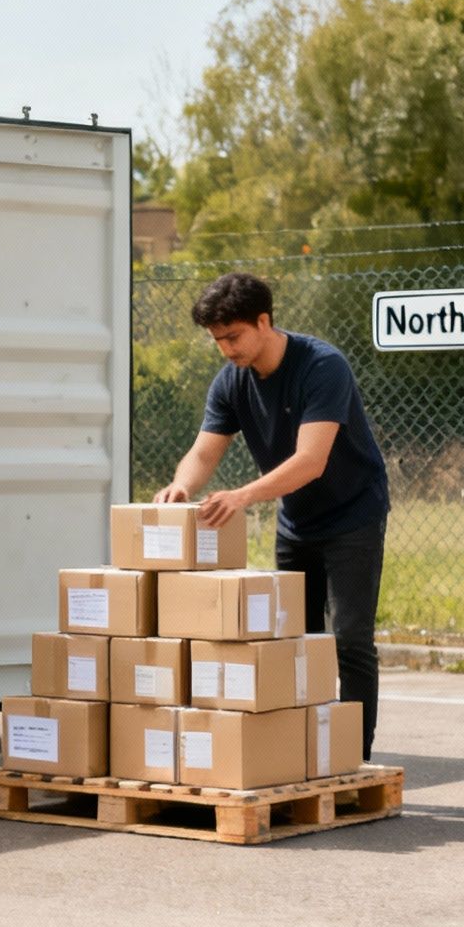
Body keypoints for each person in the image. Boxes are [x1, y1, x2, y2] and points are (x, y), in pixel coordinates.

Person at [154, 271, 390, 761]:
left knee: (349, 639)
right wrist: (183, 485)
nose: (226, 349)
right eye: (218, 340)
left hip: (353, 516)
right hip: (297, 523)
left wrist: (240, 497)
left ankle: (352, 756)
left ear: (264, 322)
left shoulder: (323, 366)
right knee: (294, 641)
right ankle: (302, 751)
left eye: (233, 337)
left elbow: (311, 460)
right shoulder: (231, 382)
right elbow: (204, 451)